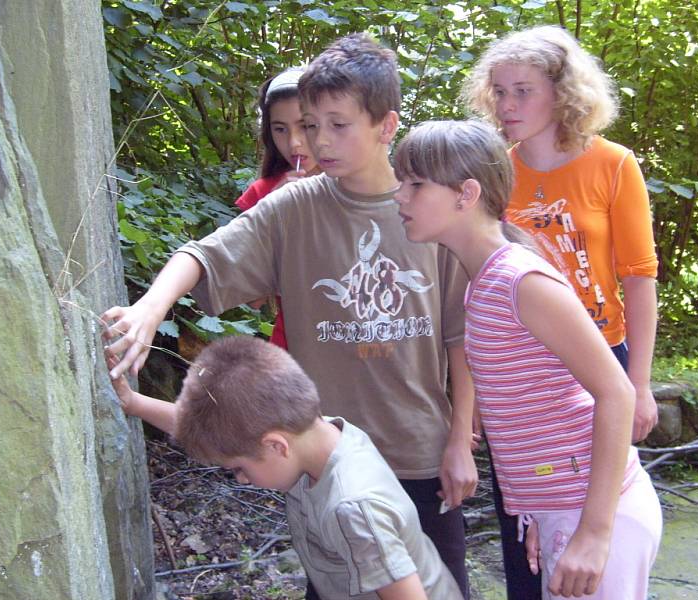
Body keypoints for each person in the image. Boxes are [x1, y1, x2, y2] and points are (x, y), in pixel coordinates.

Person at [102, 33, 473, 597]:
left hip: (419, 455)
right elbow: (202, 254)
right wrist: (150, 308)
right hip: (321, 458)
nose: (317, 141)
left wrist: (460, 439)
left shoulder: (428, 208)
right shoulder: (293, 207)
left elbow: (458, 337)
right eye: (309, 123)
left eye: (338, 124)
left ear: (386, 124)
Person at [393, 119, 662, 600]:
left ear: (466, 193)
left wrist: (594, 531)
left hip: (600, 515)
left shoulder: (522, 282)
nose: (399, 197)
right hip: (561, 510)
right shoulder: (484, 282)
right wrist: (542, 510)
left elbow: (615, 391)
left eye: (414, 184)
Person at [461, 26, 660, 599]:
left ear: (564, 94)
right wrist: (471, 395)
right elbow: (476, 288)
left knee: (598, 509)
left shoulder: (614, 164)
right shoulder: (495, 171)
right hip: (519, 364)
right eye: (497, 91)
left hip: (600, 360)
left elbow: (639, 279)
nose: (506, 105)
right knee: (524, 514)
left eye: (522, 90)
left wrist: (638, 383)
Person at [106, 336, 464, 600]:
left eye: (239, 468)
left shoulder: (354, 508)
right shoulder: (314, 432)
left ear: (276, 446)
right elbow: (227, 430)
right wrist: (134, 403)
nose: (243, 479)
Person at [235, 67, 321, 348]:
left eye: (306, 126)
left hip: (361, 351)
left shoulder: (357, 188)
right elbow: (253, 299)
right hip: (293, 349)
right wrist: (275, 210)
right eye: (280, 129)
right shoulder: (262, 195)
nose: (294, 143)